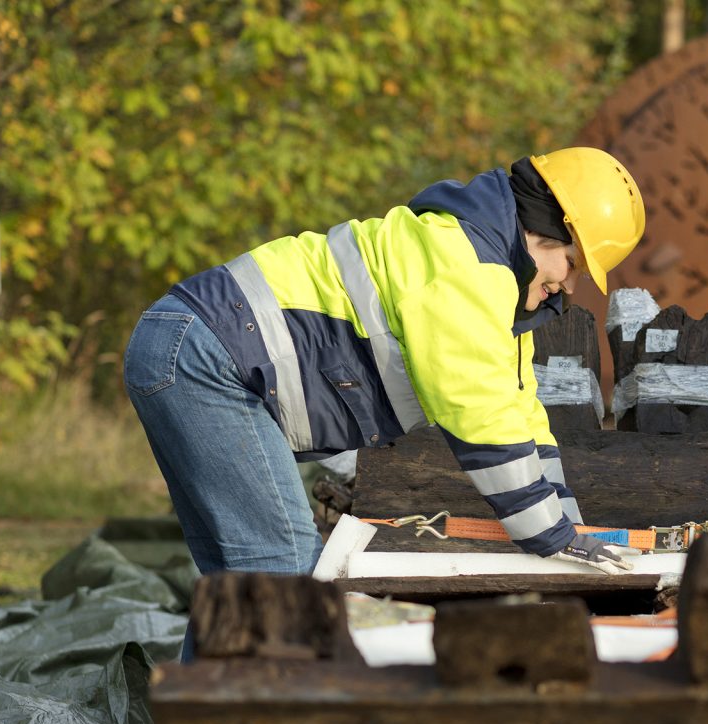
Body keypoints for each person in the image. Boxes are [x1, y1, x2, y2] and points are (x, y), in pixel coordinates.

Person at [124, 148, 647, 660]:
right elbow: (477, 410)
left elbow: (518, 413)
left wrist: (571, 528)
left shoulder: (492, 283)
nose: (571, 284)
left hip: (189, 346)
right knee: (285, 571)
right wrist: (549, 536)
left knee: (239, 587)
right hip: (206, 359)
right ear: (541, 227)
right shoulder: (464, 265)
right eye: (572, 262)